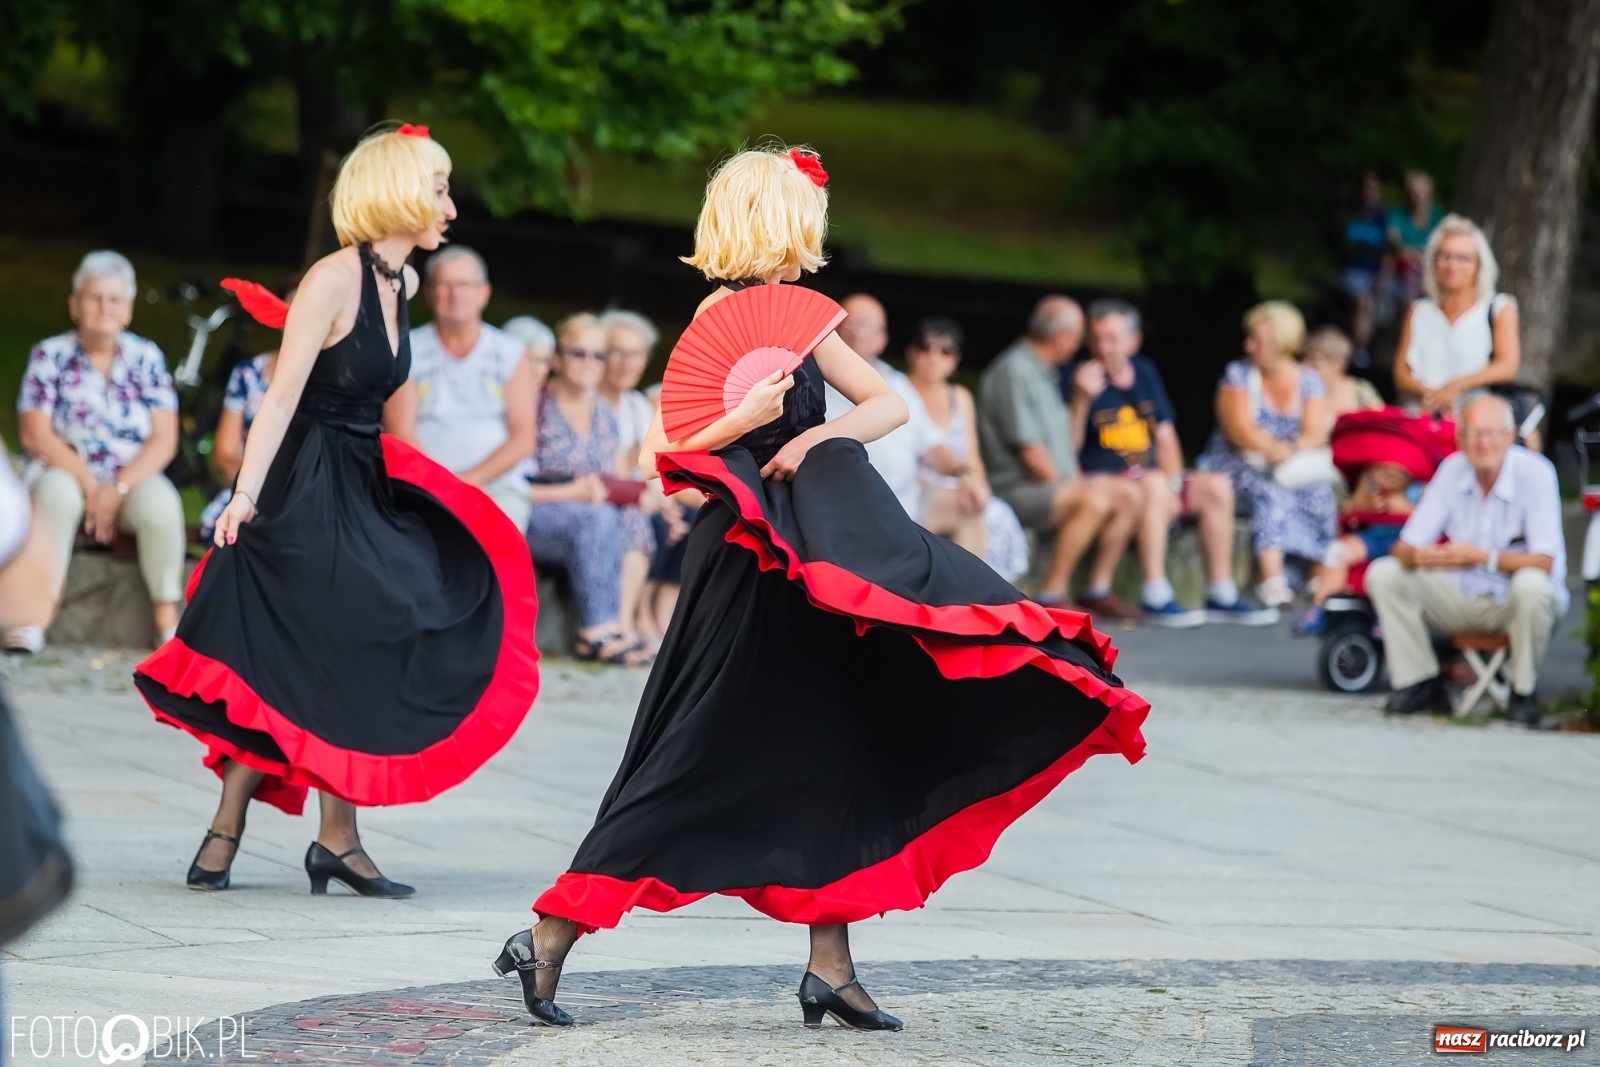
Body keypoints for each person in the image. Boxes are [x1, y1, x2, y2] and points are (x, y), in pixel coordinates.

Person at [502, 145, 1148, 1031]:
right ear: (777, 219)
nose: (818, 226)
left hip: (817, 570)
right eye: (806, 210)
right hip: (743, 566)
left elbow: (888, 404)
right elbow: (673, 446)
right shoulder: (719, 312)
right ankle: (552, 928)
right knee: (693, 747)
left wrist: (814, 439)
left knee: (837, 745)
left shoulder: (804, 316)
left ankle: (829, 967)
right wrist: (751, 419)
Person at [132, 126, 540, 898]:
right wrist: (245, 495)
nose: (451, 205)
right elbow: (280, 395)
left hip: (359, 476)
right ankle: (277, 833)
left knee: (342, 641)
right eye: (440, 185)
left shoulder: (404, 284)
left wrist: (428, 496)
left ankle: (315, 837)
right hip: (302, 481)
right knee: (307, 647)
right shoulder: (331, 277)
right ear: (396, 189)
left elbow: (391, 409)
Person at [9, 250, 187, 655]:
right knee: (54, 494)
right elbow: (35, 434)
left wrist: (118, 488)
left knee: (162, 504)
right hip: (66, 470)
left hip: (131, 477)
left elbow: (164, 439)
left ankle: (167, 622)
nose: (104, 308)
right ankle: (34, 619)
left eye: (114, 300)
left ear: (128, 311)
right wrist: (94, 486)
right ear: (75, 305)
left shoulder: (147, 358)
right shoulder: (48, 355)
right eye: (94, 298)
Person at [1068, 299, 1277, 627]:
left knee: (1216, 486)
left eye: (1112, 339)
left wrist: (1175, 484)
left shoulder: (1145, 373)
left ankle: (1220, 591)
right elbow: (1069, 450)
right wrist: (1080, 401)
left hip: (1150, 478)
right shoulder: (1077, 378)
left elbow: (1165, 437)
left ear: (1134, 342)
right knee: (1152, 483)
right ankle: (1155, 593)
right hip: (1106, 480)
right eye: (1096, 339)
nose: (1102, 348)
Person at [1366, 392, 1564, 725]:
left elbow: (1545, 562)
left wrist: (1479, 557)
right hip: (1462, 595)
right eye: (1473, 432)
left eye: (1493, 432)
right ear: (1459, 438)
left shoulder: (1536, 473)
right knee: (1385, 573)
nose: (1483, 442)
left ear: (1510, 436)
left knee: (1532, 585)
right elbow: (1403, 547)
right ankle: (1420, 683)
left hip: (1516, 601)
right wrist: (1423, 556)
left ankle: (1523, 694)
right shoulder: (1452, 469)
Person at [525, 313, 654, 667]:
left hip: (587, 511)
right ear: (558, 357)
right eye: (578, 353)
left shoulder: (604, 413)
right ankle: (593, 632)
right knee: (597, 519)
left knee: (631, 518)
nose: (589, 363)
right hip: (536, 509)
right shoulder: (536, 405)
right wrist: (572, 493)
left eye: (598, 355)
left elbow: (611, 477)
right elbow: (514, 486)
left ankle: (619, 627)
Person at [387, 245, 537, 530]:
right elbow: (401, 432)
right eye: (445, 284)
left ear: (484, 293)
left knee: (496, 546)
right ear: (430, 293)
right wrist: (442, 484)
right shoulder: (407, 349)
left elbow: (523, 438)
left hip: (497, 487)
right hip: (423, 484)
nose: (456, 294)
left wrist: (468, 481)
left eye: (465, 285)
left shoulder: (511, 352)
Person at [977, 295, 1113, 609]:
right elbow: (1032, 458)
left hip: (1047, 486)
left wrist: (1080, 400)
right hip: (1016, 489)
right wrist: (1074, 488)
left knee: (1126, 495)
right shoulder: (1015, 371)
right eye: (1079, 337)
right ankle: (1052, 592)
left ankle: (1099, 589)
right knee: (1092, 499)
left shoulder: (1047, 372)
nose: (1080, 345)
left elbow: (1069, 447)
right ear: (1061, 338)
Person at [1200, 300, 1338, 609]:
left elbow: (1315, 432)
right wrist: (1271, 449)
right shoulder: (1237, 375)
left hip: (1287, 462)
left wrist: (1288, 450)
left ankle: (1314, 574)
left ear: (1280, 344)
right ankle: (1272, 580)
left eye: (1257, 340)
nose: (1248, 345)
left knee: (1319, 492)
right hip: (1239, 465)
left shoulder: (1309, 380)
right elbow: (1238, 431)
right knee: (1270, 491)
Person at [902, 317, 1028, 580]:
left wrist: (977, 484)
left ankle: (983, 588)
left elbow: (971, 454)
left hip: (959, 479)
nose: (934, 357)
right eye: (926, 347)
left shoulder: (960, 397)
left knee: (991, 508)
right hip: (917, 482)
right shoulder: (899, 390)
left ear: (955, 360)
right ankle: (970, 589)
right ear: (911, 352)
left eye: (945, 351)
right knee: (970, 507)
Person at [1392, 214, 1529, 438]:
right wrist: (1433, 395)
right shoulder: (1419, 310)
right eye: (1444, 256)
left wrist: (1456, 387)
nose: (1452, 265)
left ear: (1479, 264)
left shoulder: (1498, 307)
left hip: (1477, 425)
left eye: (1463, 258)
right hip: (1423, 420)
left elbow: (1507, 365)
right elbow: (1400, 373)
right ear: (1433, 261)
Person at [199, 277, 302, 544]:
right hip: (248, 491)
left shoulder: (336, 381)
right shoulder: (249, 373)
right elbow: (225, 454)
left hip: (305, 501)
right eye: (292, 305)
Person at [823, 294, 933, 518]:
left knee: (975, 506)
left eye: (864, 326)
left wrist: (964, 472)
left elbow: (930, 443)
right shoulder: (816, 382)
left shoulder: (899, 383)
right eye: (847, 322)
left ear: (882, 339)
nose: (853, 332)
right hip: (851, 504)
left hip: (909, 500)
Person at [1291, 461, 1419, 637]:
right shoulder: (1372, 473)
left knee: (1396, 565)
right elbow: (1354, 506)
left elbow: (1437, 516)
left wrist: (1401, 506)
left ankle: (1388, 616)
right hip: (1374, 535)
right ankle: (1320, 607)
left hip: (1409, 539)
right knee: (1338, 552)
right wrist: (1371, 501)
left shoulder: (1425, 481)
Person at [1339, 171, 1395, 358]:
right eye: (1366, 188)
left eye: (1373, 189)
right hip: (1351, 272)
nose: (1369, 193)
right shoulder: (1349, 213)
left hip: (1375, 275)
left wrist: (1382, 277)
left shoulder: (1382, 219)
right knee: (1363, 302)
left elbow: (1389, 252)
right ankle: (1359, 350)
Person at [1387, 170, 1444, 304]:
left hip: (1430, 272)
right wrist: (1422, 253)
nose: (1418, 197)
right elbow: (1397, 249)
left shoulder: (1438, 217)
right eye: (1414, 192)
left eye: (1422, 192)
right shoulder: (1397, 216)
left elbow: (1441, 249)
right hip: (1401, 273)